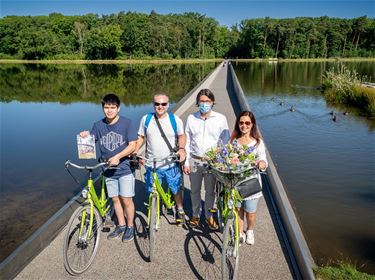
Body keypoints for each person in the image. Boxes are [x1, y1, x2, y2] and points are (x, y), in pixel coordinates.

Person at [80, 93, 138, 242]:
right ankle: (121, 225)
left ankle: (130, 227)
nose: (109, 110)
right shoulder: (98, 125)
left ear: (118, 108)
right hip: (107, 170)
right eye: (106, 107)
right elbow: (90, 142)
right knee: (115, 200)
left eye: (113, 107)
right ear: (103, 108)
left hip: (124, 169)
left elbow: (132, 145)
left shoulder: (127, 123)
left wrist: (118, 157)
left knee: (126, 200)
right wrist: (85, 135)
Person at [135, 92, 187, 226]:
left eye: (163, 104)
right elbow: (141, 137)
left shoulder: (175, 120)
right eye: (157, 104)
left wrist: (181, 149)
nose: (160, 106)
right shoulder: (146, 119)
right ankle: (154, 209)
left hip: (170, 163)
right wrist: (135, 152)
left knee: (175, 188)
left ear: (168, 105)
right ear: (153, 105)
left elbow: (182, 136)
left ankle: (180, 208)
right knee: (152, 190)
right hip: (152, 164)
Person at [184, 89, 230, 230]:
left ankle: (209, 216)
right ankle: (195, 215)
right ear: (197, 102)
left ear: (212, 102)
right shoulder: (192, 118)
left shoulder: (220, 119)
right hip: (195, 160)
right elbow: (187, 141)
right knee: (195, 190)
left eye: (207, 101)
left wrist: (222, 161)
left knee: (210, 192)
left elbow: (225, 140)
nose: (204, 104)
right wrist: (186, 162)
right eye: (202, 101)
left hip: (212, 162)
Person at [230, 110, 268, 245]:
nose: (244, 126)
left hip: (251, 183)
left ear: (252, 125)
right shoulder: (234, 141)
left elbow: (263, 159)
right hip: (236, 181)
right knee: (238, 209)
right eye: (241, 123)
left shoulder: (257, 143)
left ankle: (250, 230)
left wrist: (262, 163)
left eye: (247, 123)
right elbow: (229, 156)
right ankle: (240, 232)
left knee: (250, 212)